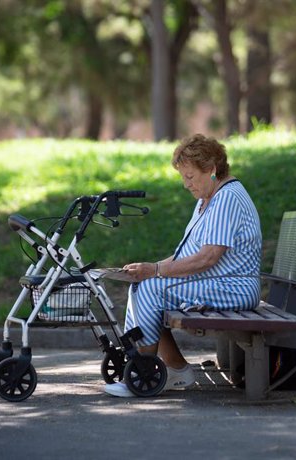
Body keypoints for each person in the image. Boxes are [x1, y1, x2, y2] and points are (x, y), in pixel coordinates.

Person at [104, 133, 262, 397]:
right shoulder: (207, 200)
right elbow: (184, 254)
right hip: (217, 282)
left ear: (211, 170)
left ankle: (142, 373)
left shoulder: (227, 198)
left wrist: (154, 271)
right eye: (183, 177)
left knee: (152, 290)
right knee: (144, 285)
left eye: (190, 177)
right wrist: (148, 268)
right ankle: (174, 369)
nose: (185, 184)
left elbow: (207, 258)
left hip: (234, 286)